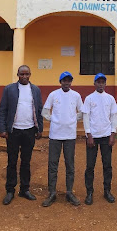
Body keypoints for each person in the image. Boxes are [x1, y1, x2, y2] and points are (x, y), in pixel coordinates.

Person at [0, 65, 43, 205]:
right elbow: (3, 109)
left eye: (27, 74)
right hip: (13, 131)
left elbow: (39, 109)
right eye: (22, 74)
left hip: (29, 130)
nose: (24, 76)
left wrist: (39, 128)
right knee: (12, 161)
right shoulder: (9, 89)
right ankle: (10, 190)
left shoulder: (35, 90)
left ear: (30, 74)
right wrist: (3, 129)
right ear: (17, 74)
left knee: (26, 161)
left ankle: (25, 189)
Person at [41, 71, 83, 207]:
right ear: (60, 82)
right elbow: (45, 111)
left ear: (71, 82)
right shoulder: (53, 95)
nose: (67, 83)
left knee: (70, 164)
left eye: (69, 80)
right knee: (53, 164)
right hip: (55, 135)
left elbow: (82, 112)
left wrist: (72, 120)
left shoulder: (76, 96)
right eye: (64, 80)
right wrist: (54, 119)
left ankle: (69, 192)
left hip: (70, 135)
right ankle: (52, 192)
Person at [82, 73, 117, 205]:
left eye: (103, 82)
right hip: (93, 137)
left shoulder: (110, 98)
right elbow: (86, 117)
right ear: (94, 83)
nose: (101, 84)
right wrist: (89, 135)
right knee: (90, 166)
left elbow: (114, 116)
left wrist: (113, 134)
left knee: (107, 165)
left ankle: (107, 191)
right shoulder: (89, 98)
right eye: (98, 82)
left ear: (105, 84)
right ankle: (89, 192)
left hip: (106, 136)